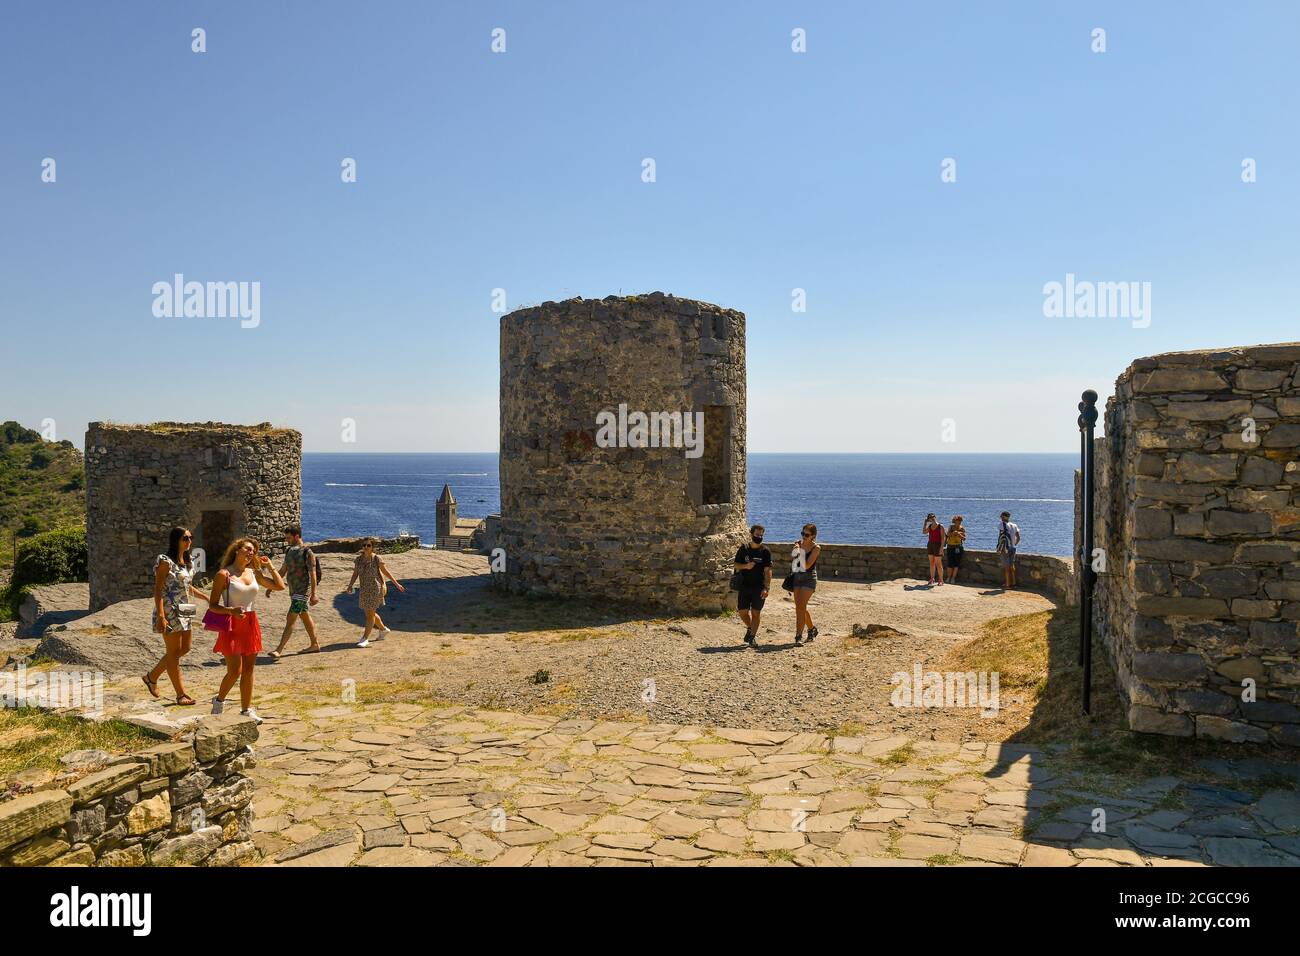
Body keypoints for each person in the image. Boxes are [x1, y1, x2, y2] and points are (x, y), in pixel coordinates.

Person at [209, 538, 285, 723]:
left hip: (250, 622)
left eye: (254, 551)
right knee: (235, 670)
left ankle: (245, 710)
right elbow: (212, 605)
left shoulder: (254, 573)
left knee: (249, 670)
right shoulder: (223, 574)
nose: (251, 553)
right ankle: (219, 701)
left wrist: (271, 567)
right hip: (232, 622)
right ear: (237, 550)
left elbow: (280, 586)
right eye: (248, 549)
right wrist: (230, 611)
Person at [143, 527, 210, 706]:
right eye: (185, 538)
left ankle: (152, 676)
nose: (189, 541)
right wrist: (161, 616)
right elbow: (158, 588)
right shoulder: (164, 560)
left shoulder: (187, 561)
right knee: (173, 653)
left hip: (186, 607)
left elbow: (187, 586)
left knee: (185, 648)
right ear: (176, 540)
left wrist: (205, 597)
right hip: (169, 608)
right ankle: (180, 694)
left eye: (190, 538)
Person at [344, 538, 406, 647]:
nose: (366, 547)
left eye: (368, 545)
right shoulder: (358, 560)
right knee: (369, 613)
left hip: (376, 588)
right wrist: (350, 585)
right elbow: (355, 574)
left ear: (372, 547)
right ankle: (383, 629)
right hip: (364, 589)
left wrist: (396, 584)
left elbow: (385, 572)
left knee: (370, 615)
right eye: (364, 545)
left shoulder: (377, 558)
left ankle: (365, 639)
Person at [270, 525, 320, 658]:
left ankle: (278, 650)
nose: (287, 540)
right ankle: (314, 644)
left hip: (303, 591)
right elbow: (282, 571)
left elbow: (313, 574)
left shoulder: (307, 552)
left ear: (297, 536)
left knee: (290, 618)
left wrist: (314, 594)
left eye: (289, 538)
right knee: (304, 615)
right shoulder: (289, 551)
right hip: (293, 591)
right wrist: (272, 586)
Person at [733, 524, 772, 647]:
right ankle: (750, 628)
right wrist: (746, 566)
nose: (759, 537)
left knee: (756, 613)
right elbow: (736, 565)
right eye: (757, 535)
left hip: (759, 587)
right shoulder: (744, 549)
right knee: (742, 612)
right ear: (751, 534)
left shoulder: (765, 551)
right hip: (744, 585)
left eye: (761, 535)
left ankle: (752, 637)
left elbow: (768, 570)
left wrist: (767, 588)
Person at [791, 524, 820, 644]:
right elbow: (794, 562)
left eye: (806, 535)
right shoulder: (798, 543)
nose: (803, 536)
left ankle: (798, 636)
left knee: (801, 608)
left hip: (809, 578)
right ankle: (812, 629)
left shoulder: (816, 548)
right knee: (800, 608)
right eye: (802, 533)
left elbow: (807, 565)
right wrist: (795, 551)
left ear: (813, 536)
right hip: (797, 577)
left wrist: (799, 551)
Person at [997, 511, 1021, 589]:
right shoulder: (1014, 525)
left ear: (1004, 517)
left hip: (1006, 548)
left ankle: (1007, 584)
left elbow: (1001, 537)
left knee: (1006, 567)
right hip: (1013, 547)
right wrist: (1013, 544)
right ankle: (1013, 583)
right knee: (1011, 566)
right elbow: (1018, 538)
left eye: (1001, 516)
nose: (1000, 518)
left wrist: (1000, 547)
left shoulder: (1002, 525)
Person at [923, 513, 946, 586]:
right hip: (930, 545)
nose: (932, 518)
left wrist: (941, 548)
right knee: (932, 563)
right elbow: (924, 532)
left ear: (935, 517)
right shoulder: (930, 526)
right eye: (930, 517)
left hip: (938, 545)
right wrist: (925, 523)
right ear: (929, 519)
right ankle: (932, 578)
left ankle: (941, 580)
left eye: (933, 517)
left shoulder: (940, 526)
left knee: (938, 564)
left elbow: (943, 538)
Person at [944, 516, 966, 584]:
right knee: (950, 563)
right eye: (958, 520)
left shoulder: (962, 528)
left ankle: (953, 578)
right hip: (950, 547)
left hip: (958, 547)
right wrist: (953, 533)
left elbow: (964, 538)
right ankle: (948, 577)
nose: (959, 522)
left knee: (956, 564)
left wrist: (959, 534)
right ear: (954, 521)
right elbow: (947, 534)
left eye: (960, 521)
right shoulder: (951, 527)